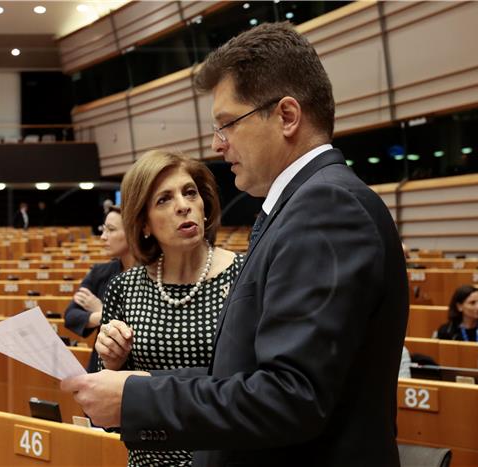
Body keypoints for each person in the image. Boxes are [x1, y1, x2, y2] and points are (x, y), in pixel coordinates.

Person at [61, 22, 409, 467]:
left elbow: (289, 396)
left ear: (286, 116)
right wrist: (135, 384)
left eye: (228, 124)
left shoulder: (326, 208)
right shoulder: (301, 207)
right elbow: (245, 373)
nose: (217, 144)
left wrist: (138, 397)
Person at [96, 150, 243, 466]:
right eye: (164, 199)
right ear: (144, 223)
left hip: (223, 458)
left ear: (204, 207)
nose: (183, 205)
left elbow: (254, 387)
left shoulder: (245, 276)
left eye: (190, 192)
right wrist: (111, 362)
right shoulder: (124, 287)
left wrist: (145, 384)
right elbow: (101, 409)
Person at [64, 206, 135, 373]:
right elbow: (71, 316)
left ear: (134, 232)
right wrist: (102, 315)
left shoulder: (156, 276)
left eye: (110, 230)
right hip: (101, 367)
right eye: (103, 230)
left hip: (136, 371)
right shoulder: (100, 272)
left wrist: (102, 310)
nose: (103, 237)